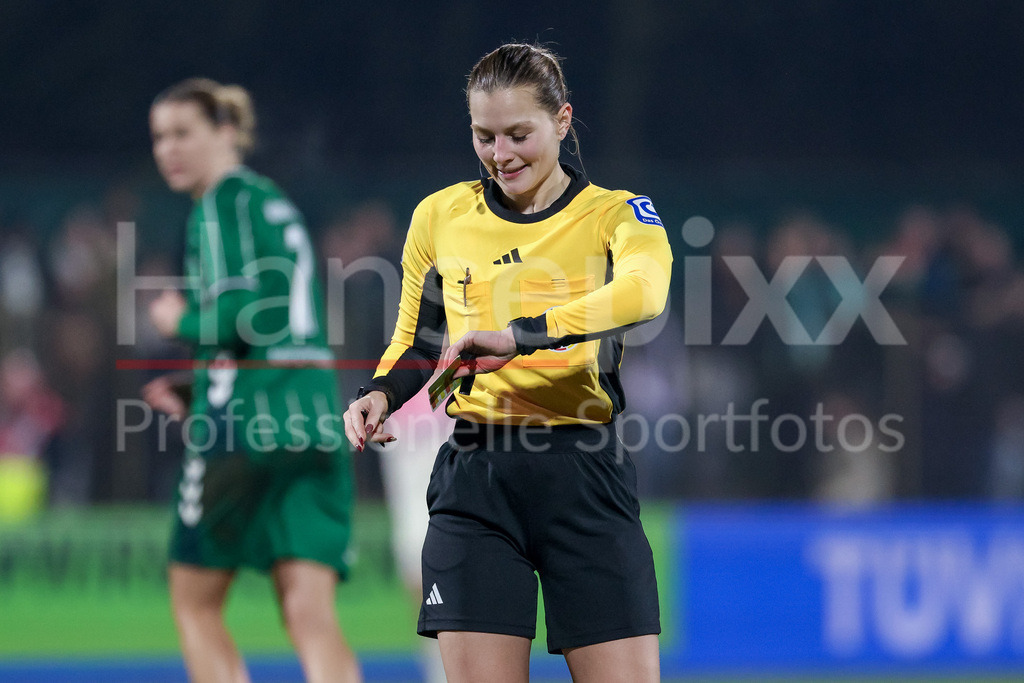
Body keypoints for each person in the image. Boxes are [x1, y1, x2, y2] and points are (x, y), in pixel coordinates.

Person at [343, 44, 672, 682]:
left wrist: (523, 336)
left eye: (519, 134)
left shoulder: (617, 213)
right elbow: (417, 338)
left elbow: (644, 292)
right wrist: (381, 394)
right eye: (484, 136)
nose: (502, 154)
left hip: (582, 473)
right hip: (475, 479)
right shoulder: (440, 216)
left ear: (564, 121)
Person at [145, 78, 360, 683]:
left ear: (227, 132)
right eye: (160, 137)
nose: (169, 149)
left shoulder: (221, 203)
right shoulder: (274, 203)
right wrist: (196, 384)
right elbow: (283, 322)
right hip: (314, 416)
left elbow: (245, 313)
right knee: (309, 610)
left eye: (183, 133)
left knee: (194, 602)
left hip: (246, 419)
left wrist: (177, 319)